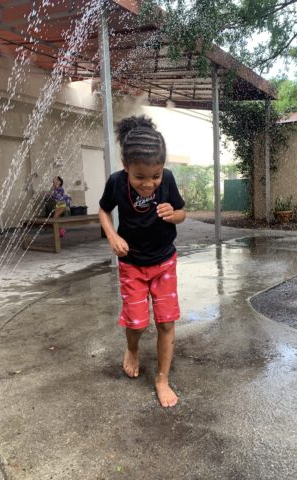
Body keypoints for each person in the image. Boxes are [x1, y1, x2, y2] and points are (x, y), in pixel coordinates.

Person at [99, 115, 186, 408]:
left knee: (165, 321)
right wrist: (111, 236)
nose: (149, 184)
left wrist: (173, 214)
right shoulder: (116, 182)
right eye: (140, 178)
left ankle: (162, 378)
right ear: (127, 168)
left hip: (164, 261)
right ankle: (132, 350)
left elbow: (182, 212)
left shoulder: (168, 179)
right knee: (136, 323)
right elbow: (103, 211)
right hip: (132, 264)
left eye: (156, 176)